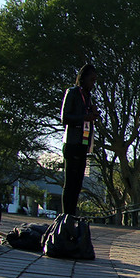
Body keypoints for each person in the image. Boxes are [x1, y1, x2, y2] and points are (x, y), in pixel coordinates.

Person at [60, 63, 99, 217]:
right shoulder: (73, 93)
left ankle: (72, 215)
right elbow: (65, 118)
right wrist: (84, 117)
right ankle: (65, 216)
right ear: (83, 79)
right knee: (69, 182)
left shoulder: (88, 97)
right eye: (91, 80)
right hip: (72, 143)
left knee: (77, 184)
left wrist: (93, 114)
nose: (93, 84)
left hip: (83, 144)